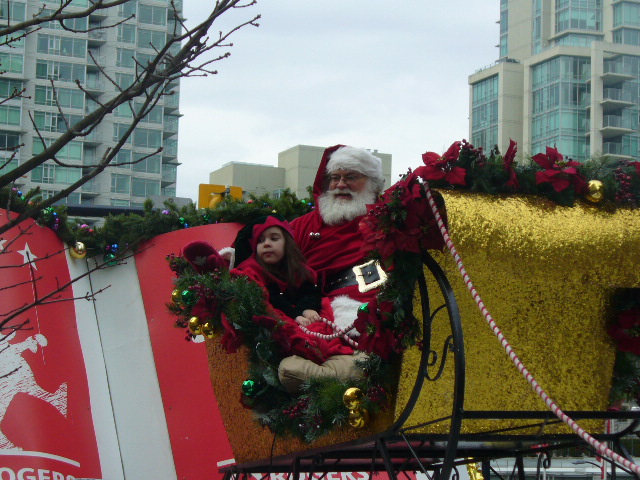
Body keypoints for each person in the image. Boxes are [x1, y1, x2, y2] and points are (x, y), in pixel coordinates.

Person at [278, 145, 387, 391]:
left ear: (371, 183)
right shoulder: (305, 224)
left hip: (363, 308)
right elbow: (267, 251)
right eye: (335, 178)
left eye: (350, 177)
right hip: (308, 307)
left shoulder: (386, 223)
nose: (340, 184)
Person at [230, 215, 356, 390]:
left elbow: (310, 290)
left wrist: (308, 309)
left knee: (325, 322)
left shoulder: (299, 270)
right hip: (282, 324)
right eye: (260, 241)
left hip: (305, 318)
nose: (266, 244)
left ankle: (333, 366)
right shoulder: (253, 273)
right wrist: (296, 316)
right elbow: (271, 301)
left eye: (274, 238)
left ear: (287, 244)